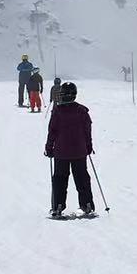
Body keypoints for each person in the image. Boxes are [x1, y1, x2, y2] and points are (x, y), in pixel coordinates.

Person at [44, 81, 96, 218]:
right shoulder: (82, 111)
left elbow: (52, 131)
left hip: (61, 152)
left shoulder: (58, 112)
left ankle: (58, 205)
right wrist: (88, 147)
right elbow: (87, 131)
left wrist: (49, 148)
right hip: (79, 151)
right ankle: (87, 204)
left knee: (60, 179)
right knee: (82, 177)